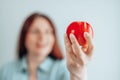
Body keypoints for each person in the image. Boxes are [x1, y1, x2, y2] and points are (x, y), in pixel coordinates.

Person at [0, 13, 94, 80]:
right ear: (24, 36)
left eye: (48, 32)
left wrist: (78, 72)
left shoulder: (63, 69)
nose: (42, 37)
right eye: (35, 31)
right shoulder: (6, 70)